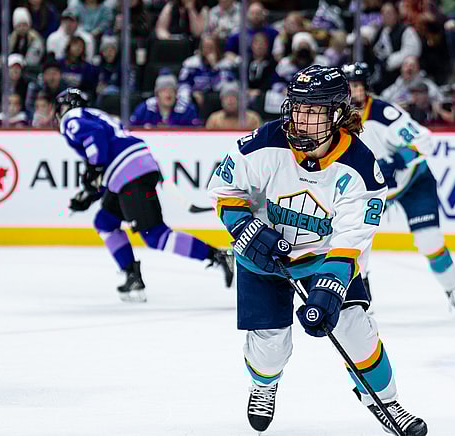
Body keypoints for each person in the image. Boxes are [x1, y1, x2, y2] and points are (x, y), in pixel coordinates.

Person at [206, 65, 428, 435]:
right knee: (270, 345)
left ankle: (385, 401)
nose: (301, 119)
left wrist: (330, 286)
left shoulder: (361, 169)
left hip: (322, 259)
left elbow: (352, 238)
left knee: (354, 329)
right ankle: (263, 385)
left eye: (313, 111)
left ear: (338, 114)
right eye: (297, 108)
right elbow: (225, 190)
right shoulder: (263, 143)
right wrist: (245, 228)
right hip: (262, 261)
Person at [53, 88, 234, 302]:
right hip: (130, 171)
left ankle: (217, 255)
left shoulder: (72, 118)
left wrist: (93, 170)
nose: (60, 113)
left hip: (129, 173)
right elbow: (106, 160)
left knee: (155, 235)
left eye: (62, 107)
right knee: (105, 221)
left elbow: (95, 141)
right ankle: (132, 275)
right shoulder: (96, 115)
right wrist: (90, 194)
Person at [343, 62, 455, 313]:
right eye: (347, 87)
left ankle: (452, 289)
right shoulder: (337, 120)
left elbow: (426, 142)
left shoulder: (385, 113)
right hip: (372, 191)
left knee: (429, 241)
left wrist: (399, 160)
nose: (351, 91)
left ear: (366, 88)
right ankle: (361, 290)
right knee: (353, 241)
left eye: (356, 86)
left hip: (413, 182)